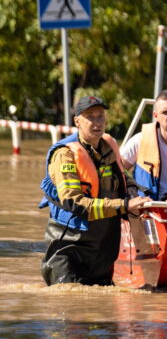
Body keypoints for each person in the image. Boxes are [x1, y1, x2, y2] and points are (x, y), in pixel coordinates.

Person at [38, 95, 152, 285]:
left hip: (102, 255)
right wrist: (125, 204)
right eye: (90, 116)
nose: (97, 122)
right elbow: (75, 202)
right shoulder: (65, 154)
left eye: (100, 116)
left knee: (101, 309)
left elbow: (124, 176)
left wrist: (132, 189)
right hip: (70, 253)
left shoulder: (109, 147)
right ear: (77, 121)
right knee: (70, 306)